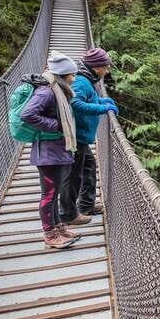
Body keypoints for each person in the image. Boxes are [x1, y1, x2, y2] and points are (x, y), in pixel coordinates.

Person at [20, 51, 82, 249]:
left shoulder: (58, 89)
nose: (74, 78)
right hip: (48, 153)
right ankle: (49, 234)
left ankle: (58, 228)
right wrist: (57, 125)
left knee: (54, 194)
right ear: (62, 75)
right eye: (72, 74)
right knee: (48, 195)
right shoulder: (46, 92)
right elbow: (27, 114)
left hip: (56, 150)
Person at [60, 47, 118, 225]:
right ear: (96, 67)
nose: (107, 70)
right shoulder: (81, 81)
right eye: (105, 67)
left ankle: (86, 205)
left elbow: (88, 99)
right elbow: (75, 103)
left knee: (88, 168)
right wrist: (103, 108)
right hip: (76, 137)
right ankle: (69, 215)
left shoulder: (87, 78)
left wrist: (101, 100)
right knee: (73, 176)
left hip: (82, 136)